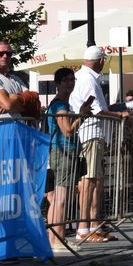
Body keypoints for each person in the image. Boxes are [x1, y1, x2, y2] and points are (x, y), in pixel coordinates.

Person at [69, 46, 128, 243]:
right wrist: (119, 114)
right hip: (91, 133)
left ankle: (93, 225)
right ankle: (84, 228)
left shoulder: (86, 77)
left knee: (96, 182)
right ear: (101, 61)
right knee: (89, 181)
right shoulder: (87, 79)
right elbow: (96, 110)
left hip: (94, 134)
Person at [44, 68, 87, 249]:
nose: (70, 83)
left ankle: (55, 239)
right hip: (63, 152)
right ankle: (57, 240)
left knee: (59, 197)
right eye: (66, 80)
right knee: (61, 198)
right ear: (58, 84)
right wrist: (82, 116)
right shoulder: (60, 105)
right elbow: (68, 131)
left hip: (62, 152)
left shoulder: (61, 104)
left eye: (72, 79)